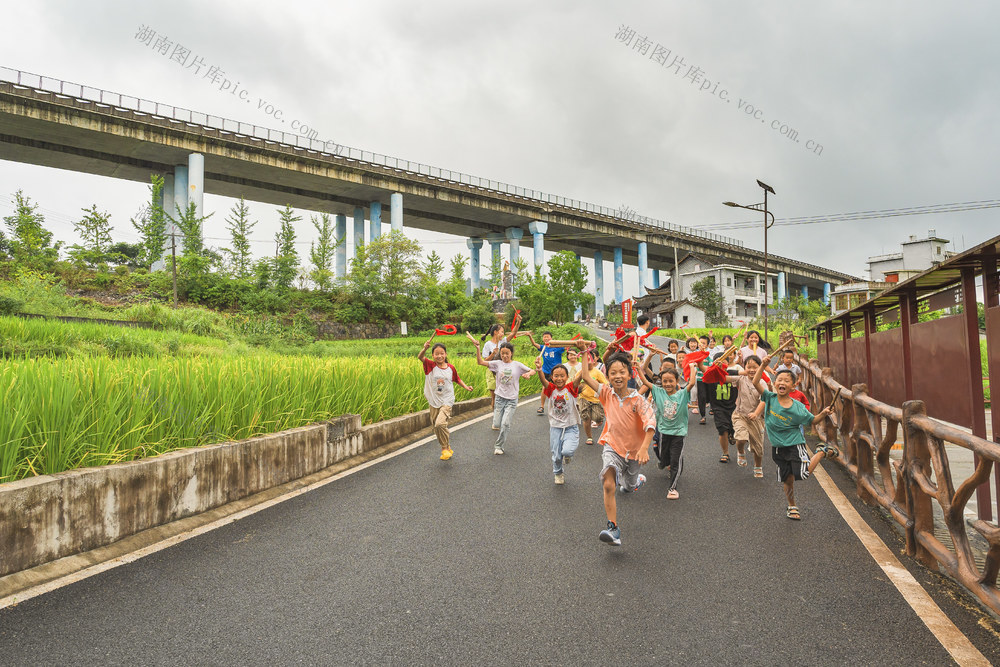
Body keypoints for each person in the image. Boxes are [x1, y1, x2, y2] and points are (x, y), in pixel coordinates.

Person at [579, 343, 656, 546]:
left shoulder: (638, 400)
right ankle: (613, 528)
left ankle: (634, 481)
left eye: (622, 372)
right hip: (612, 446)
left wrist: (644, 448)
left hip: (634, 453)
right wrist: (584, 353)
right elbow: (586, 376)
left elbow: (650, 424)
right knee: (608, 482)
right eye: (613, 373)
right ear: (608, 376)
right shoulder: (606, 393)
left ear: (629, 374)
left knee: (628, 485)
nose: (617, 376)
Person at [749, 360, 836, 520]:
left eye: (786, 381)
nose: (782, 382)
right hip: (777, 448)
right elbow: (755, 381)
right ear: (775, 384)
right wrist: (762, 365)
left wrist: (823, 413)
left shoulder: (798, 408)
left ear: (793, 386)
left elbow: (813, 421)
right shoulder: (769, 397)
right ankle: (792, 506)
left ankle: (821, 452)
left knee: (802, 475)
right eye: (779, 380)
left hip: (795, 445)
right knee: (788, 479)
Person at [636, 353, 697, 499]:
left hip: (679, 433)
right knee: (663, 456)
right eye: (665, 381)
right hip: (663, 431)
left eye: (671, 381)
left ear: (677, 381)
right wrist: (638, 368)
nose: (668, 384)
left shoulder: (682, 394)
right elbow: (645, 381)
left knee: (675, 459)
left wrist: (692, 367)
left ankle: (672, 488)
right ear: (661, 382)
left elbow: (692, 383)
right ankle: (664, 462)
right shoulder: (658, 391)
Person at [468, 333, 535, 455]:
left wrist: (528, 374)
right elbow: (480, 362)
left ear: (511, 353)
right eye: (502, 353)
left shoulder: (517, 365)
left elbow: (532, 370)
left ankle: (499, 446)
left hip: (512, 399)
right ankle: (496, 422)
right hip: (499, 398)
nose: (504, 355)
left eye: (507, 353)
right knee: (497, 423)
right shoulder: (497, 364)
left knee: (505, 424)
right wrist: (477, 348)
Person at [418, 337, 473, 460]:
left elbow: (457, 379)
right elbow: (420, 357)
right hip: (434, 401)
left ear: (445, 354)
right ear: (432, 355)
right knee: (436, 427)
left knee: (439, 424)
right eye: (436, 354)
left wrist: (466, 387)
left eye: (441, 353)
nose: (439, 356)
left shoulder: (450, 368)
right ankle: (447, 446)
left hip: (447, 400)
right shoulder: (430, 365)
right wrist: (424, 348)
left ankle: (444, 449)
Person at [536, 359, 582, 485]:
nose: (559, 378)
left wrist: (585, 355)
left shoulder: (571, 387)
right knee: (556, 455)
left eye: (562, 376)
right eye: (556, 376)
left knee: (567, 451)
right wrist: (539, 369)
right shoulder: (550, 389)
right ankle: (558, 473)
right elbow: (543, 381)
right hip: (555, 427)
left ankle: (568, 455)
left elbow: (581, 376)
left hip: (571, 426)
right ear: (552, 377)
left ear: (567, 377)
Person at [727, 354, 768, 476]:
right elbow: (723, 378)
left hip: (757, 419)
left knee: (758, 448)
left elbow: (764, 400)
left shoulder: (762, 383)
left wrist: (756, 413)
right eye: (748, 367)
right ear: (744, 368)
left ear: (760, 368)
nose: (751, 370)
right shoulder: (740, 379)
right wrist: (717, 367)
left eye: (755, 367)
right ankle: (740, 451)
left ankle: (758, 466)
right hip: (740, 415)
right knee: (741, 438)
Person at [701, 350, 739, 463]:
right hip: (718, 408)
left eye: (723, 362)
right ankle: (725, 453)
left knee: (734, 430)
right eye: (718, 363)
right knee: (722, 430)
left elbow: (747, 374)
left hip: (734, 407)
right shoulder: (711, 374)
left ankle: (732, 434)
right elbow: (701, 367)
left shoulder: (733, 373)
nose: (721, 365)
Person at [524, 331, 576, 415]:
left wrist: (571, 344)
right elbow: (534, 344)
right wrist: (530, 336)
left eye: (548, 337)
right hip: (545, 371)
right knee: (544, 388)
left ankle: (563, 405)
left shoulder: (558, 348)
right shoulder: (543, 347)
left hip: (556, 372)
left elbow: (567, 346)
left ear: (551, 338)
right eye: (544, 337)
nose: (546, 338)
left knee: (560, 388)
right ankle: (542, 406)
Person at [480, 315, 522, 413]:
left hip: (503, 371)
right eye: (502, 331)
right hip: (492, 371)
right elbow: (485, 360)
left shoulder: (503, 341)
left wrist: (518, 322)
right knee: (494, 396)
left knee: (502, 394)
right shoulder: (488, 344)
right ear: (495, 332)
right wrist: (494, 353)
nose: (503, 334)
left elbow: (513, 333)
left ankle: (502, 414)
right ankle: (496, 416)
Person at [575, 349, 608, 445]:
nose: (587, 361)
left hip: (596, 399)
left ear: (594, 361)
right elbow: (575, 385)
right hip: (583, 398)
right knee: (586, 418)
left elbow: (605, 384)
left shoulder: (597, 372)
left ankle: (599, 420)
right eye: (585, 359)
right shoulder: (580, 372)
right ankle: (589, 437)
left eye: (589, 359)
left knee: (598, 418)